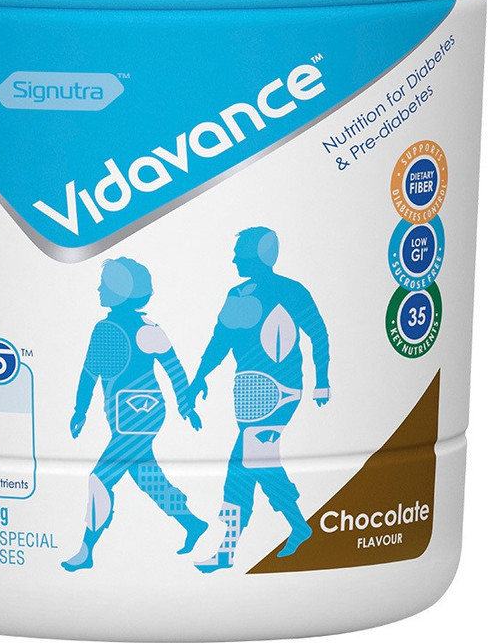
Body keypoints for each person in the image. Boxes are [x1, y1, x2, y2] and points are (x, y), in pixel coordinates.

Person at [186, 227, 330, 572]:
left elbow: (318, 333)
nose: (234, 260)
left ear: (260, 256)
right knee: (253, 463)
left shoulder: (291, 291)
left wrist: (322, 380)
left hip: (280, 391)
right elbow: (219, 341)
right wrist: (198, 378)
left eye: (241, 254)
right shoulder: (236, 295)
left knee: (246, 463)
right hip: (249, 392)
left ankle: (228, 549)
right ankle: (297, 526)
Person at [62, 257, 207, 572]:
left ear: (121, 289)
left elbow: (174, 371)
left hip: (139, 416)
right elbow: (90, 373)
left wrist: (187, 406)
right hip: (128, 414)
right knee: (147, 477)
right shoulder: (111, 329)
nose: (99, 289)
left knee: (100, 479)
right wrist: (79, 410)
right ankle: (192, 523)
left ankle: (86, 551)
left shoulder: (142, 330)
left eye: (105, 284)